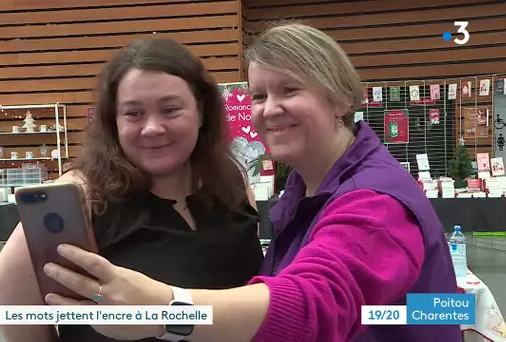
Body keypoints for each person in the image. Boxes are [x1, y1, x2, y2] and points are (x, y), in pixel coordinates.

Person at [36, 23, 460, 342]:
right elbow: (6, 299)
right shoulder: (306, 188)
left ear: (342, 98)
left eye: (290, 89)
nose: (271, 110)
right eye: (259, 96)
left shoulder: (372, 201)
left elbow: (314, 304)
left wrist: (166, 309)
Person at [0, 37, 263, 341]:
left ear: (202, 113)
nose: (152, 127)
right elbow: (4, 295)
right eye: (133, 113)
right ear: (113, 122)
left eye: (170, 109)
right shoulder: (81, 195)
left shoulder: (232, 182)